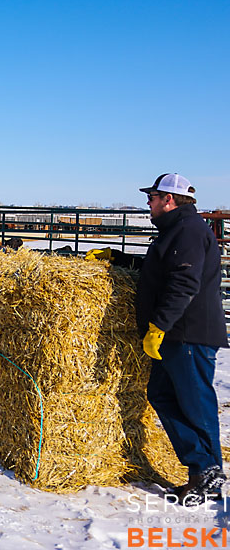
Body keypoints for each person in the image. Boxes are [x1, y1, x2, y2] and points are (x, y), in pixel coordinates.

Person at [133, 173, 226, 505]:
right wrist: (118, 260)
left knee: (196, 403)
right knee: (161, 394)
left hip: (187, 334)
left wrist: (158, 326)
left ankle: (206, 470)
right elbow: (161, 271)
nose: (149, 202)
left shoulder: (187, 230)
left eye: (153, 197)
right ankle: (206, 469)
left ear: (168, 200)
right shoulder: (176, 229)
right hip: (176, 333)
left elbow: (184, 282)